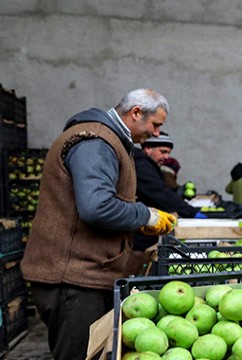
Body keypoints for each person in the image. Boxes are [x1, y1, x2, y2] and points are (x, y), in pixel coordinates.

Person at [20, 88, 177, 360]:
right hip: (72, 279)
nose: (156, 133)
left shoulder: (111, 140)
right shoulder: (96, 142)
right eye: (156, 125)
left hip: (83, 276)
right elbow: (97, 207)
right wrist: (146, 216)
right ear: (136, 112)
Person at [133, 132, 207, 252]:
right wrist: (192, 213)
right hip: (139, 234)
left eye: (168, 153)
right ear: (148, 149)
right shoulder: (142, 165)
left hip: (145, 229)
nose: (167, 157)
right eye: (163, 152)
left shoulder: (148, 165)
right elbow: (160, 193)